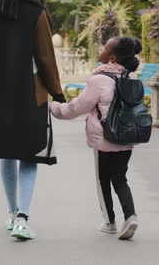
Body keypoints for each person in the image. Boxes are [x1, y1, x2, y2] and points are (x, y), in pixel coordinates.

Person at [0, 0, 65, 240]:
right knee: (29, 154)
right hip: (30, 95)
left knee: (7, 151)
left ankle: (12, 211)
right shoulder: (36, 13)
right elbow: (46, 57)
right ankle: (23, 218)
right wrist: (58, 93)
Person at [49, 36, 141, 240]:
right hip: (126, 137)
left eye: (105, 48)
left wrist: (54, 108)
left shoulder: (99, 80)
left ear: (112, 58)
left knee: (102, 180)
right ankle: (130, 215)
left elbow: (76, 108)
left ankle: (109, 222)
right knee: (120, 178)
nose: (101, 49)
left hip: (105, 139)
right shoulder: (129, 79)